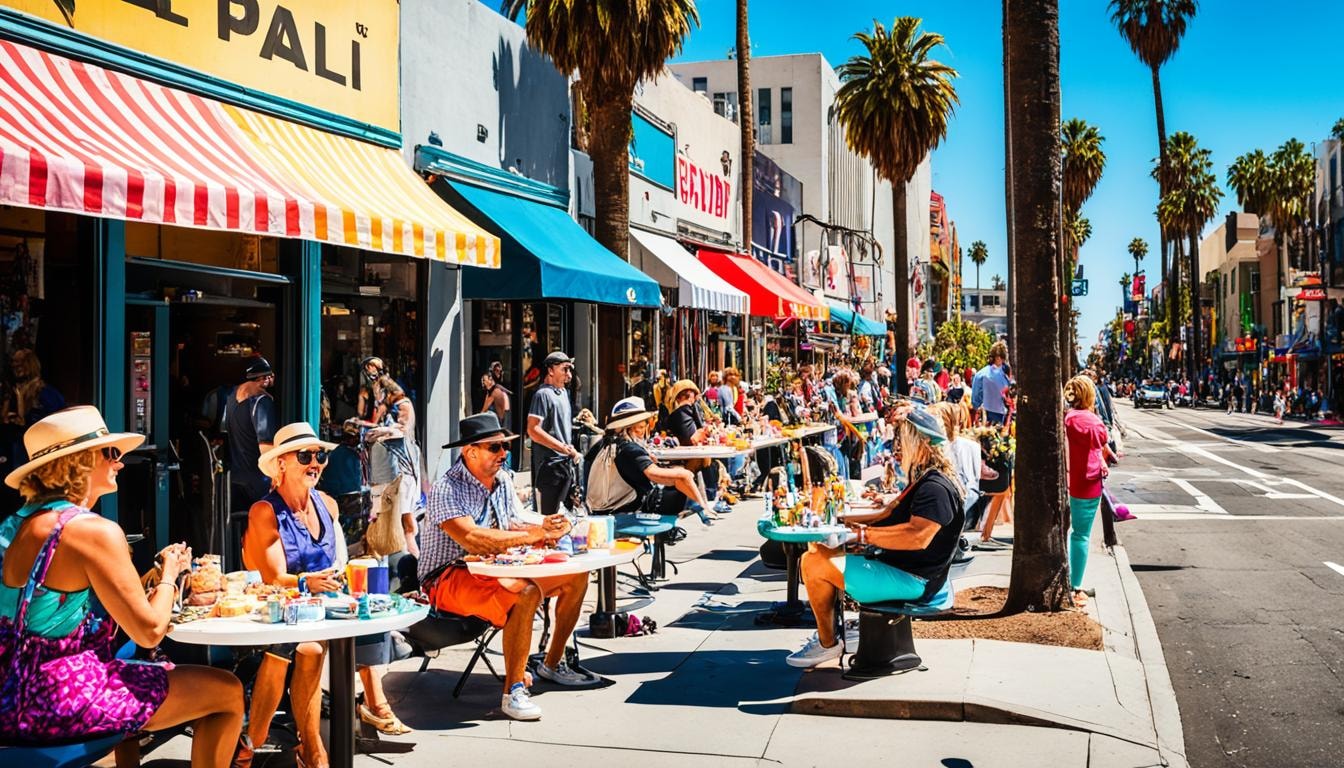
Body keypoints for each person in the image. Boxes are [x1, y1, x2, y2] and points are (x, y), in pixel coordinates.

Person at [0, 406, 243, 766]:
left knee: (134, 674)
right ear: (79, 461)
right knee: (228, 692)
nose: (121, 463)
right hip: (58, 701)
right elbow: (150, 632)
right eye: (111, 453)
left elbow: (45, 611)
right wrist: (169, 575)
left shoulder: (15, 524)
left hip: (10, 694)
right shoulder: (92, 531)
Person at [241, 422, 410, 765]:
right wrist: (306, 583)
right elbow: (274, 577)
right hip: (273, 610)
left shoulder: (327, 505)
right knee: (305, 648)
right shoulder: (265, 511)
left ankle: (313, 740)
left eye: (319, 456)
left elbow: (338, 560)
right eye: (305, 456)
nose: (314, 463)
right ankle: (266, 746)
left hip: (320, 609)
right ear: (282, 463)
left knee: (350, 632)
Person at [418, 413, 591, 721]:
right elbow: (473, 539)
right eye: (495, 447)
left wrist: (547, 524)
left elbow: (515, 521)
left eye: (504, 447)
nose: (504, 453)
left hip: (496, 568)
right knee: (524, 593)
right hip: (447, 576)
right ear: (470, 451)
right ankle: (513, 692)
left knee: (576, 575)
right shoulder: (447, 488)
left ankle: (551, 663)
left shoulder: (503, 480)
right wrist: (537, 533)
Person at [787, 404, 964, 668]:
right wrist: (839, 524)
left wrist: (859, 535)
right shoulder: (926, 480)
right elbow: (887, 513)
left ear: (921, 445)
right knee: (817, 553)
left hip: (915, 581)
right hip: (907, 571)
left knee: (814, 563)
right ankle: (845, 630)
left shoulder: (935, 488)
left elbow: (917, 537)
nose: (897, 449)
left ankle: (827, 644)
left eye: (902, 441)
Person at [585, 397, 711, 521]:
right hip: (623, 508)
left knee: (679, 475)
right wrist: (686, 474)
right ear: (636, 427)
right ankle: (703, 509)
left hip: (598, 507)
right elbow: (655, 475)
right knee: (683, 476)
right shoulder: (629, 449)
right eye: (645, 424)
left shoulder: (603, 444)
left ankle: (699, 507)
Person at [1063, 376, 1116, 608]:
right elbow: (1103, 442)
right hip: (1086, 484)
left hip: (1065, 481)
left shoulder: (1066, 419)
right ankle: (1076, 587)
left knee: (1066, 532)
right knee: (1081, 535)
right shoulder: (1094, 422)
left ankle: (1068, 581)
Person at [527, 352, 579, 517]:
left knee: (565, 517)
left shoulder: (563, 393)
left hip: (565, 464)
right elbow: (533, 430)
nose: (568, 375)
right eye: (564, 369)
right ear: (550, 370)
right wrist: (562, 447)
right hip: (548, 466)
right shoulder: (542, 395)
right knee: (547, 518)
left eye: (570, 370)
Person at [226, 356, 278, 509]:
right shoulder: (261, 402)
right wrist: (276, 477)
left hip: (236, 478)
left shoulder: (230, 399)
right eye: (269, 375)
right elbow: (266, 447)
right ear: (262, 378)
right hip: (259, 481)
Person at [5, 349, 66, 426]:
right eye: (13, 361)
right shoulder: (16, 388)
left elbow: (25, 423)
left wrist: (20, 398)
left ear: (30, 364)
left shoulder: (46, 392)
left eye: (19, 361)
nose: (14, 365)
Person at [971, 342, 1012, 425]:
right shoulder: (1005, 376)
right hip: (999, 414)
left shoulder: (980, 374)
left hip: (986, 415)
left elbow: (975, 398)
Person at [356, 356, 387, 424]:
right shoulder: (369, 389)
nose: (367, 373)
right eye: (366, 371)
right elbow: (361, 413)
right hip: (375, 420)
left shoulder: (386, 384)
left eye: (368, 369)